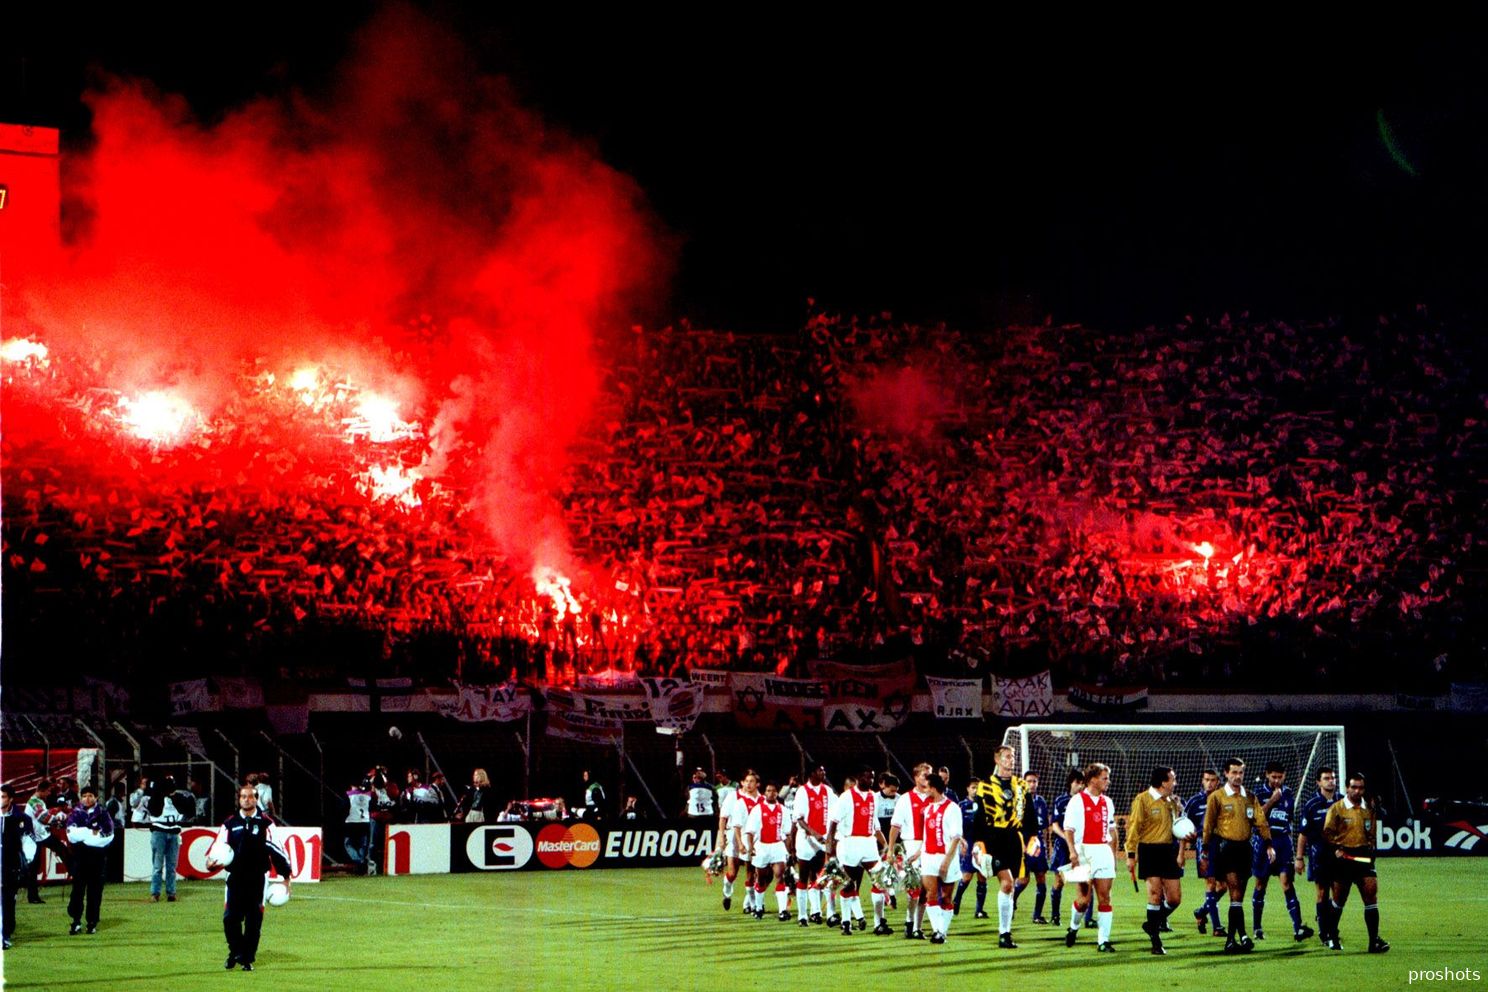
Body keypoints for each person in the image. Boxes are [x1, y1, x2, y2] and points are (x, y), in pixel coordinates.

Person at [210, 783, 293, 971]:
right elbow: (218, 848)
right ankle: (235, 952)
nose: (247, 800)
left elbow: (276, 848)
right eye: (244, 797)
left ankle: (247, 959)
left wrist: (286, 876)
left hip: (257, 878)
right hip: (235, 877)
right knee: (230, 918)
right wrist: (210, 861)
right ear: (239, 799)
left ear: (256, 799)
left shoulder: (266, 823)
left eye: (251, 796)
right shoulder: (230, 823)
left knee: (253, 920)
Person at [1203, 758, 1273, 953]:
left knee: (1238, 897)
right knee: (1234, 892)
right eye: (1233, 772)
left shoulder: (1250, 797)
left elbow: (1261, 821)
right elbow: (1208, 825)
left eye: (1240, 773)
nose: (1237, 776)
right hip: (1226, 849)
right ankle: (1232, 939)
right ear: (1226, 773)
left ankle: (1237, 937)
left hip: (1245, 849)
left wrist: (1268, 844)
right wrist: (1205, 849)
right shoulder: (1217, 797)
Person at [970, 744, 1033, 948]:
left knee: (1015, 883)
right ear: (997, 760)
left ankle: (1006, 929)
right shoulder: (985, 785)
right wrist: (979, 843)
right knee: (1006, 883)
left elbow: (1030, 814)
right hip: (994, 836)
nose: (1011, 760)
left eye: (1013, 757)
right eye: (1006, 756)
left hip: (1014, 839)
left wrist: (1033, 836)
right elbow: (979, 817)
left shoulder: (1021, 785)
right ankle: (1004, 934)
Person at [1319, 772, 1388, 953]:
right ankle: (1331, 936)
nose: (1357, 791)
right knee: (1339, 900)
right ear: (1347, 788)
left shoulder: (1369, 809)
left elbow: (1371, 833)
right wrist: (1336, 849)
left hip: (1363, 857)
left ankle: (1374, 941)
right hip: (1344, 858)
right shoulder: (1337, 808)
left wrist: (1372, 848)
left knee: (1371, 897)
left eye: (1361, 788)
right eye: (1354, 787)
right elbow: (1327, 833)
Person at [1125, 766, 1185, 954]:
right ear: (1163, 783)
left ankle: (1152, 923)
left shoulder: (1172, 802)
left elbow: (1178, 828)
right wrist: (1131, 855)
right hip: (1149, 850)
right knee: (1155, 896)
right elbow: (1133, 828)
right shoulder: (1142, 800)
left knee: (1174, 898)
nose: (1175, 783)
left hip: (1169, 851)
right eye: (1172, 779)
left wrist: (1182, 848)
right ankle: (1156, 942)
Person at [1251, 760, 1312, 941]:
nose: (1277, 780)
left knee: (1287, 882)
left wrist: (1295, 853)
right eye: (1273, 776)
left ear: (1284, 776)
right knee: (1261, 884)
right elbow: (1256, 818)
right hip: (1263, 843)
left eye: (1280, 776)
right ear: (1267, 775)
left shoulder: (1289, 793)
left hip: (1283, 843)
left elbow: (1289, 820)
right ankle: (1257, 928)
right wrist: (1272, 800)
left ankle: (1298, 927)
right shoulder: (1259, 793)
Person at [1063, 762, 1119, 952]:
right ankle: (1073, 926)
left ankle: (1103, 941)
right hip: (1083, 851)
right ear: (1093, 779)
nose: (1108, 782)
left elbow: (1112, 830)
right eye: (1104, 778)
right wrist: (1072, 852)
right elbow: (1068, 830)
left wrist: (1112, 855)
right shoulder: (1077, 801)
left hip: (1102, 851)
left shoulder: (1108, 802)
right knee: (1084, 901)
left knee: (1105, 898)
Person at [826, 766, 888, 936]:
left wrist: (886, 844)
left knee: (879, 881)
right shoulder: (846, 797)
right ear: (859, 777)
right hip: (850, 843)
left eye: (873, 778)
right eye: (868, 777)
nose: (871, 781)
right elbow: (833, 822)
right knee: (849, 884)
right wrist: (829, 846)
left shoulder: (873, 797)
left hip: (868, 843)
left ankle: (878, 923)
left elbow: (874, 824)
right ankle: (846, 923)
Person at [885, 762, 932, 938]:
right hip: (912, 843)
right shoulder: (905, 799)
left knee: (927, 888)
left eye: (929, 775)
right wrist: (890, 849)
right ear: (915, 777)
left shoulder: (934, 797)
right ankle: (909, 921)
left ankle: (917, 928)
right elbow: (895, 826)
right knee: (915, 887)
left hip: (930, 845)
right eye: (923, 775)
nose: (927, 778)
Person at [1295, 766, 1340, 942]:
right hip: (1319, 855)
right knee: (1322, 892)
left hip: (1338, 855)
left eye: (1333, 778)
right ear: (1318, 782)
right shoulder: (1312, 804)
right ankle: (1324, 931)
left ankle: (1331, 925)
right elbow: (1303, 834)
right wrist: (1299, 858)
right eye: (1327, 778)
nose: (1331, 781)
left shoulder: (1342, 802)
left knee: (1338, 893)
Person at [918, 772, 964, 945]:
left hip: (947, 857)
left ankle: (942, 931)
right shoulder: (928, 809)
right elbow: (926, 834)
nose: (924, 790)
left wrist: (946, 860)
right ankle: (938, 931)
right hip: (929, 856)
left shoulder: (952, 808)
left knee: (945, 897)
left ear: (934, 788)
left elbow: (956, 837)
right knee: (930, 894)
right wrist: (918, 853)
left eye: (926, 787)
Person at [64, 785, 114, 935]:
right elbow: (71, 834)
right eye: (84, 795)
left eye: (90, 795)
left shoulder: (103, 814)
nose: (87, 798)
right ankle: (76, 921)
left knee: (95, 891)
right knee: (77, 891)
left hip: (97, 858)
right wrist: (90, 832)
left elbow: (108, 835)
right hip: (80, 858)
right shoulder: (75, 814)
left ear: (96, 797)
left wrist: (85, 836)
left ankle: (92, 922)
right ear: (80, 798)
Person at [791, 764, 833, 926]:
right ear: (811, 773)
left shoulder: (828, 791)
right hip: (806, 840)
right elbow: (799, 819)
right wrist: (813, 832)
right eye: (819, 770)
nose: (823, 772)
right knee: (804, 876)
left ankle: (824, 913)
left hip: (823, 840)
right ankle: (803, 915)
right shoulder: (802, 792)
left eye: (823, 770)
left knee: (824, 877)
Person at [742, 782, 791, 920]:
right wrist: (751, 849)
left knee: (779, 876)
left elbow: (787, 833)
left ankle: (783, 911)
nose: (771, 793)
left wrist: (790, 851)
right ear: (765, 793)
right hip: (762, 847)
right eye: (768, 790)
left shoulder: (783, 810)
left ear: (776, 793)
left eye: (773, 791)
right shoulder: (757, 809)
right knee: (761, 879)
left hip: (777, 846)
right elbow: (750, 832)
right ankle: (758, 908)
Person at [1185, 769, 1225, 936]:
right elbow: (1184, 824)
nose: (1210, 783)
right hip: (1204, 843)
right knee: (1210, 883)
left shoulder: (1224, 799)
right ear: (1202, 781)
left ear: (1218, 782)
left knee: (1223, 886)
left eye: (1213, 780)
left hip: (1222, 843)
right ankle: (1217, 927)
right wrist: (1189, 837)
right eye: (1207, 779)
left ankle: (1202, 912)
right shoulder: (1195, 801)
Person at [147, 775, 196, 903]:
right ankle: (155, 893)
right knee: (158, 866)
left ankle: (171, 893)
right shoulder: (155, 798)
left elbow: (186, 809)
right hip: (159, 831)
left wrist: (173, 796)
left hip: (173, 831)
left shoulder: (179, 798)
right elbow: (155, 811)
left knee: (171, 865)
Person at [2, 784, 38, 950]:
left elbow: (29, 842)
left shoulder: (22, 819)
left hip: (11, 866)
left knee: (8, 901)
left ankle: (6, 934)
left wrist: (26, 861)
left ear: (10, 799)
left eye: (3, 797)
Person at [1014, 769, 1051, 924]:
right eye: (1029, 781)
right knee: (1023, 880)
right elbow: (1015, 826)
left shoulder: (1041, 801)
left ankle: (1037, 915)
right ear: (1024, 782)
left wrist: (1046, 846)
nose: (1032, 784)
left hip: (1038, 844)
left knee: (1041, 879)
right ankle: (1011, 902)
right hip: (1025, 844)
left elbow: (1045, 826)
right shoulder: (1019, 801)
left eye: (1034, 781)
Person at [727, 771, 763, 916]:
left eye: (752, 781)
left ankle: (752, 902)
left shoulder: (763, 800)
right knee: (750, 872)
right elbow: (736, 825)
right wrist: (740, 843)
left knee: (760, 874)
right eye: (746, 781)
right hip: (747, 841)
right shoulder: (740, 802)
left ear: (757, 784)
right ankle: (751, 904)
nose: (748, 784)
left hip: (762, 841)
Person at [24, 780, 67, 903]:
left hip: (40, 836)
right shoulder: (34, 802)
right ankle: (32, 897)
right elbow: (43, 817)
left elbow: (42, 820)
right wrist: (58, 819)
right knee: (62, 851)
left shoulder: (38, 801)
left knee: (34, 867)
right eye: (48, 791)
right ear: (42, 790)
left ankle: (33, 897)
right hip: (36, 838)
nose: (49, 794)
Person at [952, 775, 987, 919]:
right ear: (967, 789)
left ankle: (979, 910)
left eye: (977, 787)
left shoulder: (985, 804)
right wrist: (961, 842)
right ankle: (957, 900)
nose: (975, 790)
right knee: (966, 876)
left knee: (982, 876)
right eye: (973, 787)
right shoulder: (961, 806)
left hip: (982, 844)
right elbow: (957, 826)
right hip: (968, 843)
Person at [344, 777, 372, 874]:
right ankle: (362, 863)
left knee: (348, 844)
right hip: (365, 821)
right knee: (362, 845)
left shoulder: (349, 795)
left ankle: (358, 861)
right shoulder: (368, 795)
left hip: (351, 821)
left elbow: (344, 807)